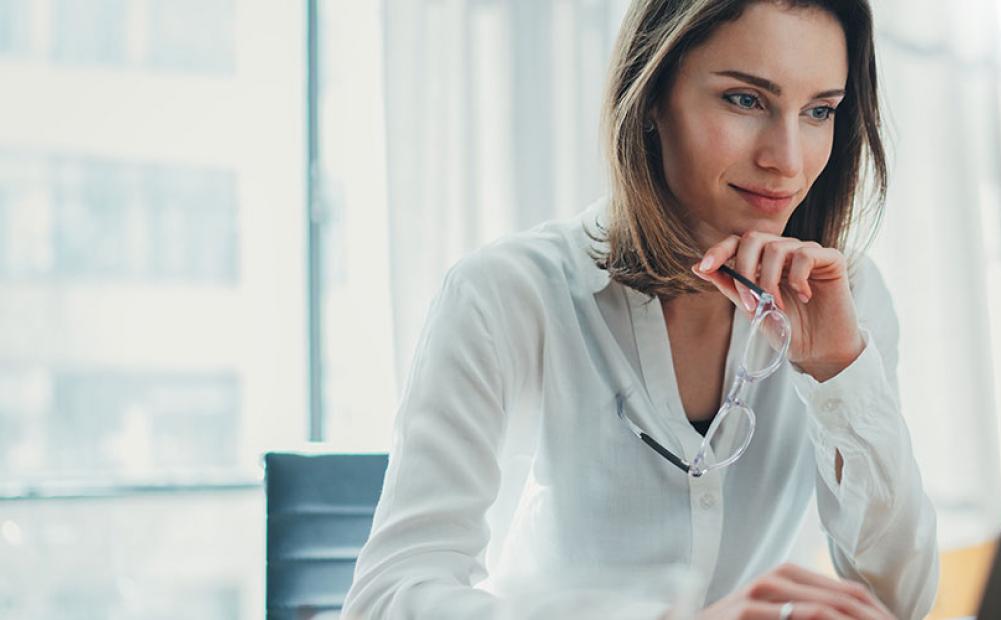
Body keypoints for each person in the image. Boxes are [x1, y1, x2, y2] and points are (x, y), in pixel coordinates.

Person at [341, 0, 939, 618]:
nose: (787, 160)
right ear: (652, 95)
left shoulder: (848, 299)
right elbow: (387, 599)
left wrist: (839, 372)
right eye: (745, 100)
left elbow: (898, 601)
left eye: (819, 111)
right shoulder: (505, 294)